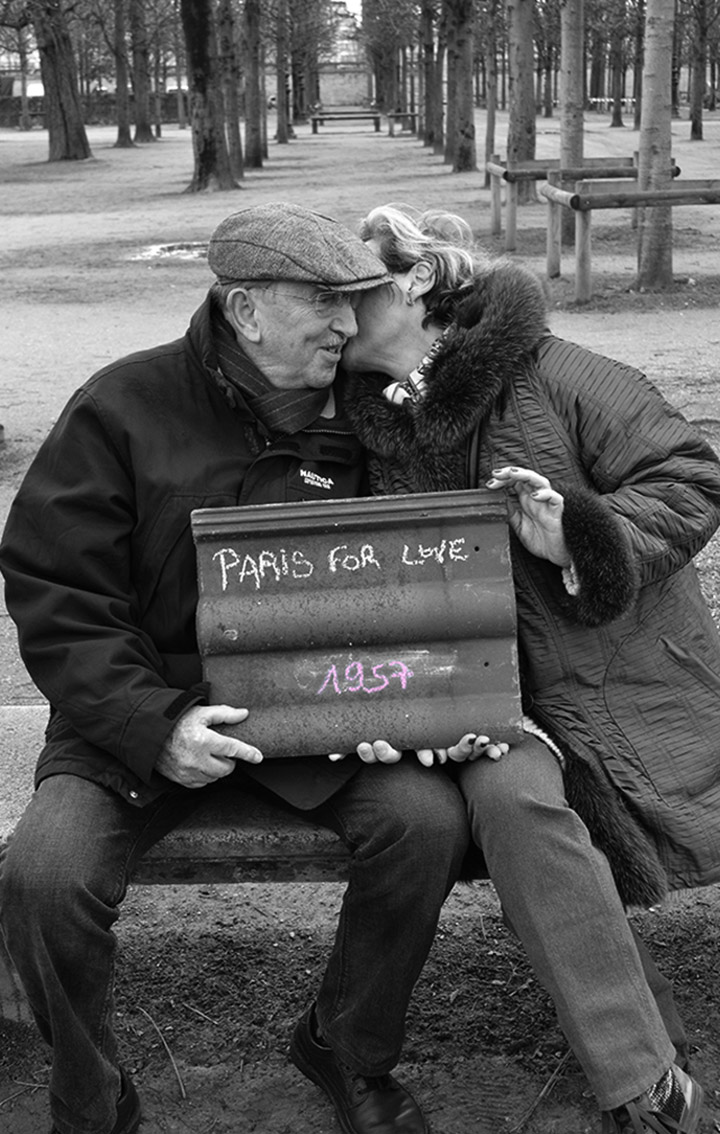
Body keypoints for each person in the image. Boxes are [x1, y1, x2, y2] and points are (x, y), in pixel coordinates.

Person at [0, 202, 504, 1134]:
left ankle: (346, 1050)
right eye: (325, 302)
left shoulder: (366, 423)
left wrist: (429, 703)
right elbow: (58, 588)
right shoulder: (122, 406)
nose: (350, 326)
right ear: (245, 310)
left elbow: (423, 576)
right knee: (44, 876)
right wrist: (154, 727)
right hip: (142, 720)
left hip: (319, 715)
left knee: (425, 825)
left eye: (356, 303)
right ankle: (89, 1089)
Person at [339, 202, 720, 1134]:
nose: (330, 310)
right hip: (459, 704)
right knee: (511, 796)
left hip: (608, 689)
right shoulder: (343, 422)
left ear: (416, 279)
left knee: (524, 806)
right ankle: (650, 1080)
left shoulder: (553, 373)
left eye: (346, 286)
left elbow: (692, 479)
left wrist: (576, 532)